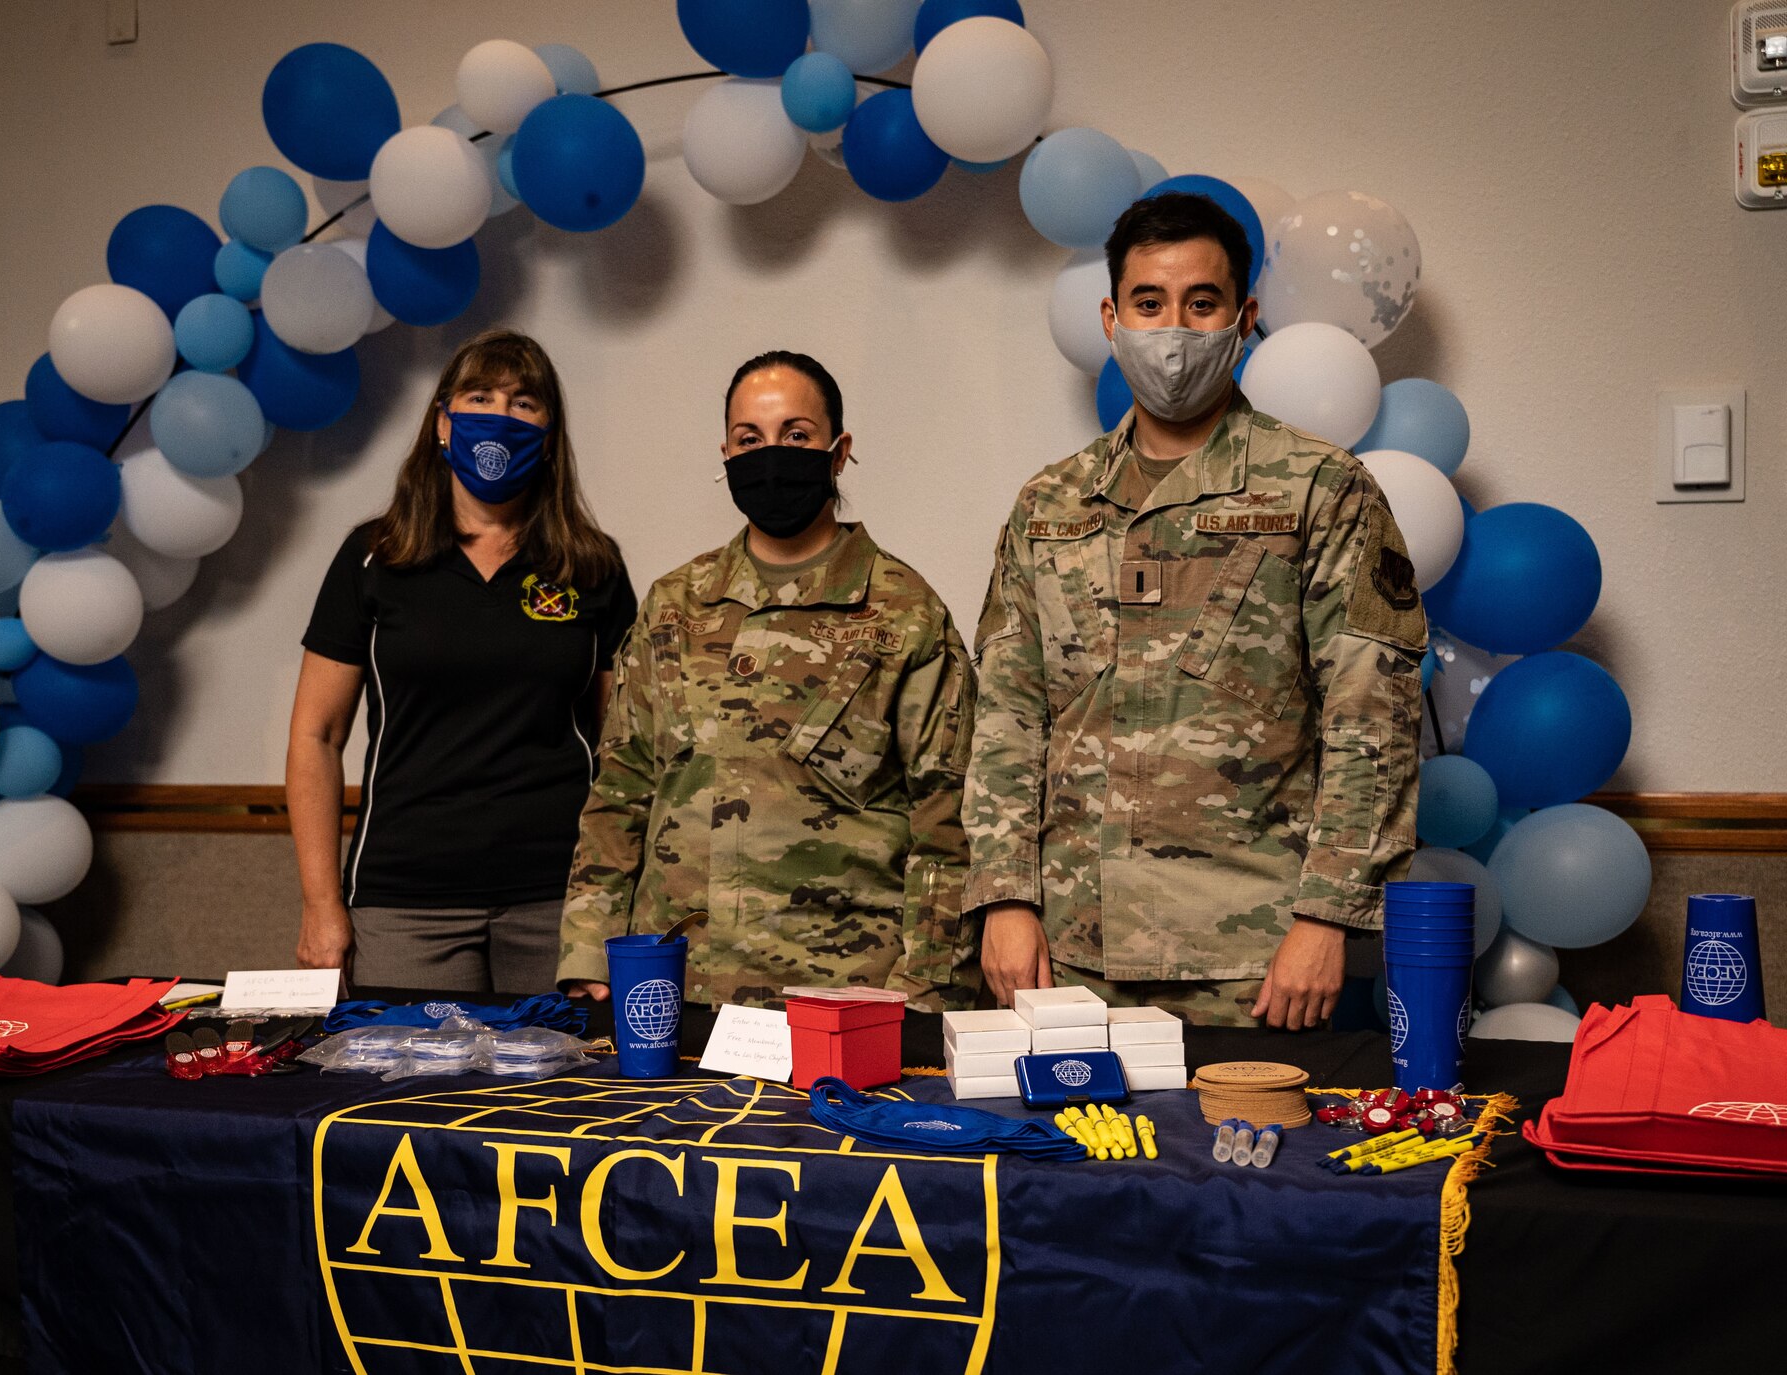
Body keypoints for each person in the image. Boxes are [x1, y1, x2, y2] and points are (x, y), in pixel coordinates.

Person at [964, 192, 1427, 1029]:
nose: (1172, 329)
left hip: (1251, 957)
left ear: (1244, 318)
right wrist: (1004, 896)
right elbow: (1007, 716)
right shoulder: (1049, 503)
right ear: (1111, 317)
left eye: (1200, 303)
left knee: (1244, 1161)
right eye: (1149, 303)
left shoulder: (1319, 489)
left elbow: (1372, 720)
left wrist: (1327, 918)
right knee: (1065, 1160)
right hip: (1064, 952)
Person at [557, 351, 978, 1009]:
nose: (770, 455)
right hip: (674, 997)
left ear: (839, 452)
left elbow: (947, 826)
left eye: (796, 435)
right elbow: (621, 789)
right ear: (724, 453)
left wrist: (925, 994)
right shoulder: (674, 605)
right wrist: (590, 947)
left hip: (842, 1003)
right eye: (750, 439)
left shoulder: (904, 612)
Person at [287, 330, 635, 992]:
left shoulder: (592, 565)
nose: (499, 416)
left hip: (559, 900)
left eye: (524, 402)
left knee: (560, 1096)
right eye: (480, 396)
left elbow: (626, 750)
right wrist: (320, 902)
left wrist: (614, 903)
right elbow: (316, 735)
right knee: (410, 1095)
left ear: (551, 431)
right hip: (404, 899)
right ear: (442, 423)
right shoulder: (374, 557)